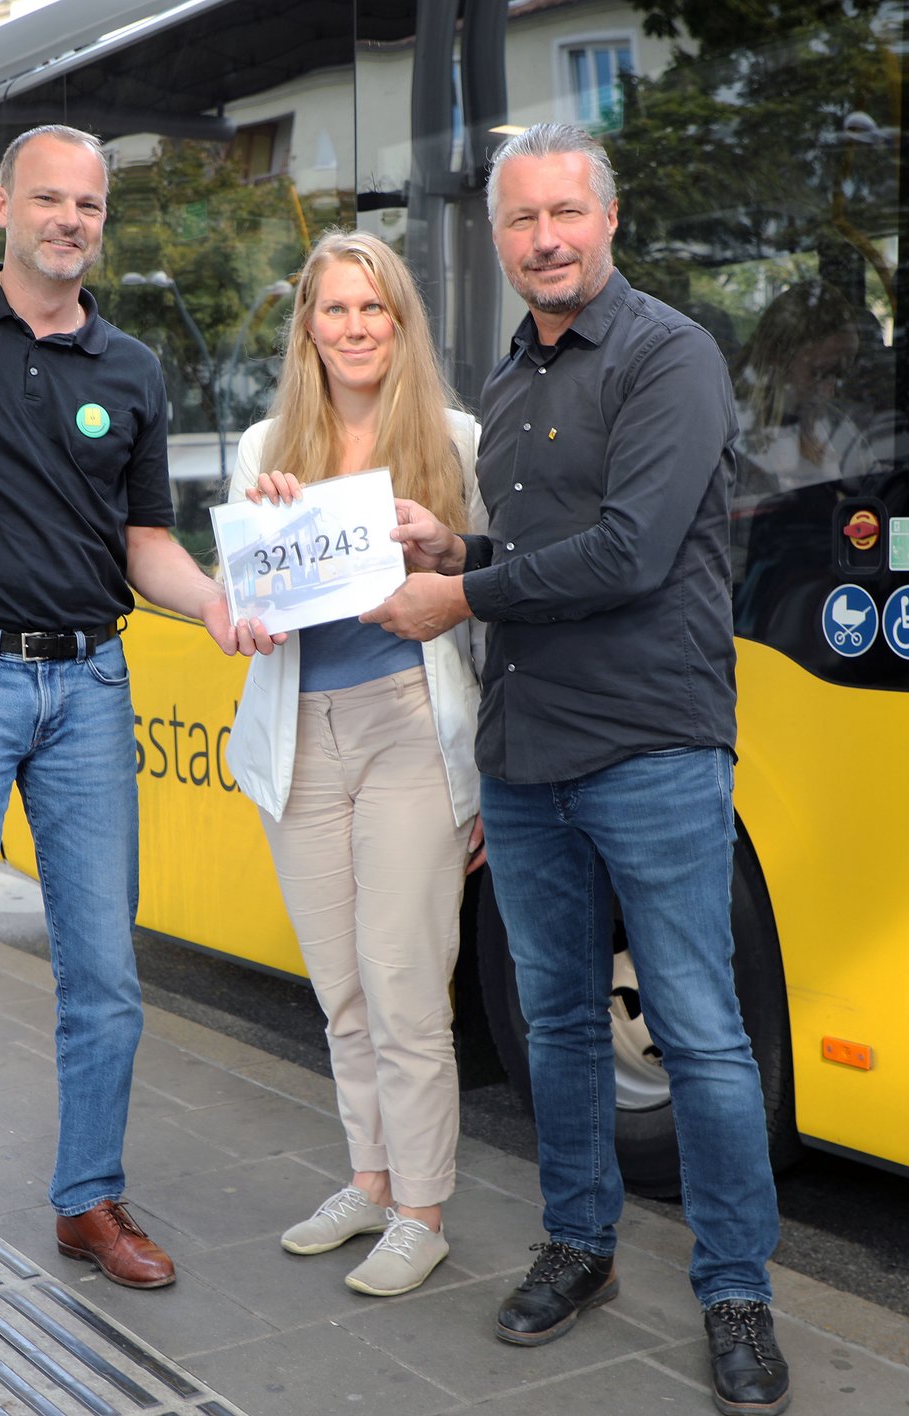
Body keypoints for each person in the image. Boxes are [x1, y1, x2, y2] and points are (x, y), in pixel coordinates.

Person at [360, 123, 791, 1415]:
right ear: (498, 242)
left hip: (650, 749)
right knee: (555, 1023)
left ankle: (736, 1294)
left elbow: (628, 555)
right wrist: (458, 542)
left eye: (565, 214)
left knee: (703, 1037)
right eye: (520, 222)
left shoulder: (671, 356)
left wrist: (463, 594)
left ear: (609, 220)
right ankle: (581, 1246)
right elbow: (540, 540)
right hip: (528, 752)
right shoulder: (513, 374)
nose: (544, 239)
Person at [0, 123, 278, 1348]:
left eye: (87, 204)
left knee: (108, 980)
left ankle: (88, 1201)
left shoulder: (128, 366)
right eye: (48, 199)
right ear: (0, 208)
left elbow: (141, 547)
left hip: (86, 689)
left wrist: (219, 604)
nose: (69, 219)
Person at [225, 231, 484, 1297]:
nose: (353, 328)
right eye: (334, 310)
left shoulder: (456, 439)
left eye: (372, 309)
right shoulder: (260, 448)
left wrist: (443, 547)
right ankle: (370, 1182)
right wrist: (246, 601)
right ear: (308, 328)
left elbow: (499, 583)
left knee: (403, 981)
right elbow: (239, 598)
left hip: (407, 726)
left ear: (400, 322)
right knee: (338, 987)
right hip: (300, 735)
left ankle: (423, 1210)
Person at [731, 279, 865, 495]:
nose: (829, 392)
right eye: (819, 373)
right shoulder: (731, 430)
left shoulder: (836, 426)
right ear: (777, 357)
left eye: (839, 375)